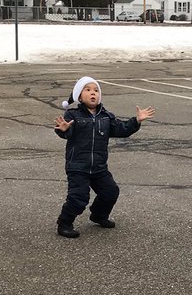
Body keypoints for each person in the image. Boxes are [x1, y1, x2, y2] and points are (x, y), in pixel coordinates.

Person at [53, 76, 155, 238]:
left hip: (99, 167)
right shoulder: (72, 115)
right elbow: (64, 132)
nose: (93, 93)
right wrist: (64, 129)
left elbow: (121, 129)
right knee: (79, 197)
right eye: (88, 90)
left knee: (110, 192)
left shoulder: (106, 116)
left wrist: (136, 121)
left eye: (95, 90)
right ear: (79, 96)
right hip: (78, 167)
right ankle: (64, 223)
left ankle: (98, 215)